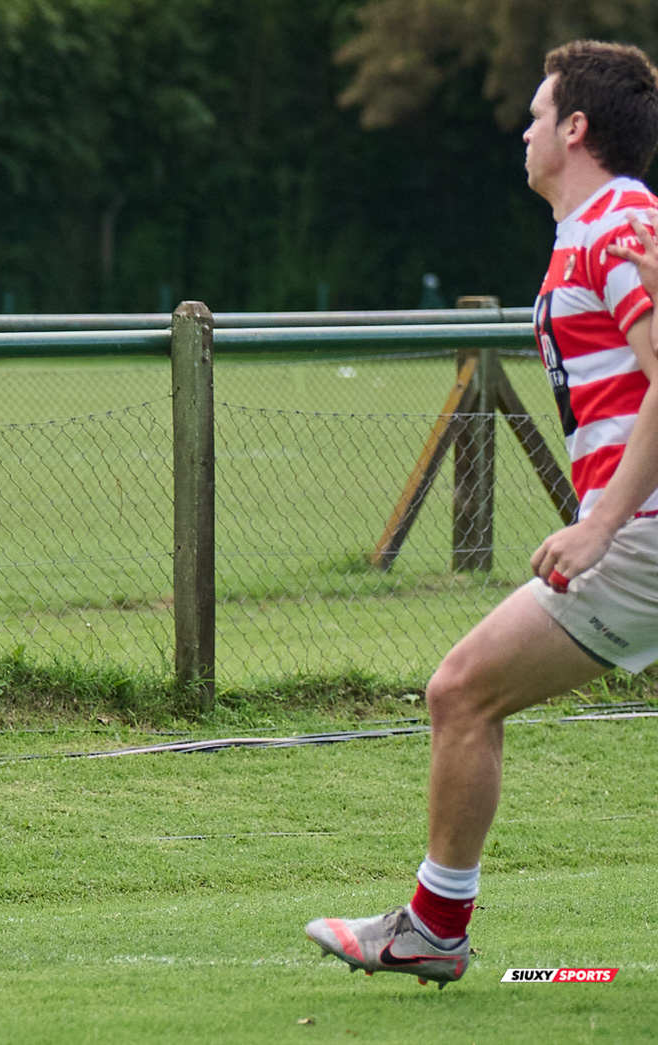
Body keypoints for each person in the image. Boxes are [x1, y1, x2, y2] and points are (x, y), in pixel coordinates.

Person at [306, 40, 658, 987]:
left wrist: (599, 523)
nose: (522, 130)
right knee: (463, 691)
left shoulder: (618, 223)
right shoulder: (599, 226)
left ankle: (433, 929)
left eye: (537, 114)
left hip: (642, 538)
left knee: (461, 691)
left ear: (575, 128)